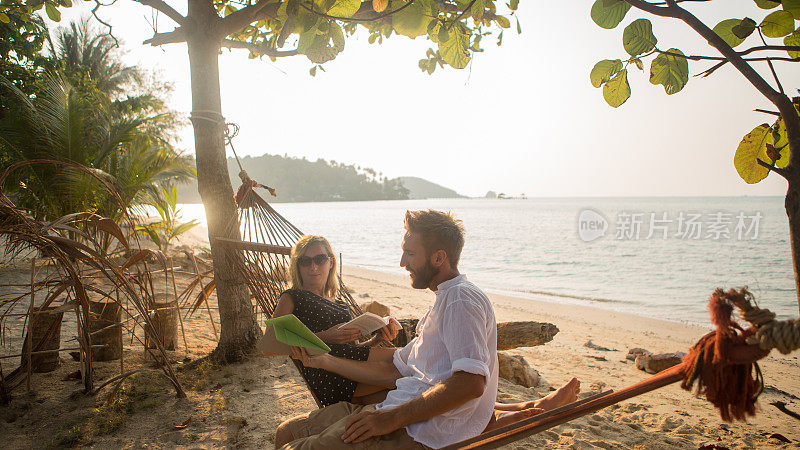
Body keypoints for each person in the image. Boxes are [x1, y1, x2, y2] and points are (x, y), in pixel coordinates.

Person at [275, 210, 581, 449]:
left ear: (438, 258)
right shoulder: (443, 300)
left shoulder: (461, 300)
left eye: (410, 254)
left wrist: (389, 419)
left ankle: (525, 408)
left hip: (413, 429)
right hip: (391, 407)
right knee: (285, 432)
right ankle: (527, 407)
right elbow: (396, 366)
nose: (401, 262)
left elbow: (471, 384)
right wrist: (328, 359)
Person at [270, 235, 402, 407]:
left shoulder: (341, 304)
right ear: (298, 266)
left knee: (401, 391)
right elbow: (271, 345)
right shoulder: (292, 297)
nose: (313, 266)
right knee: (406, 363)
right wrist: (326, 337)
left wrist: (376, 340)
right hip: (325, 374)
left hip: (352, 369)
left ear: (331, 262)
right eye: (305, 261)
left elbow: (353, 350)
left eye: (320, 259)